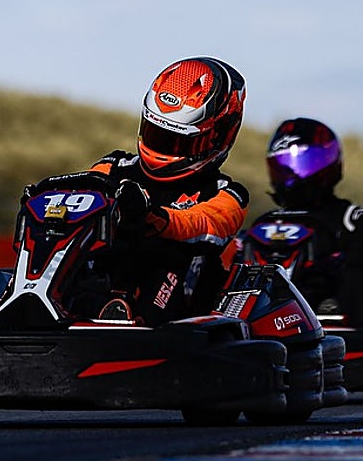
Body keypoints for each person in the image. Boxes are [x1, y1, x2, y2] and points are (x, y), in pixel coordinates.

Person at [84, 56, 250, 324]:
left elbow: (205, 225)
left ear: (218, 136)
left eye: (178, 142)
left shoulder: (228, 194)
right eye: (156, 134)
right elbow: (83, 195)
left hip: (178, 313)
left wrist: (152, 216)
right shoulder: (113, 167)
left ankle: (130, 322)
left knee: (169, 262)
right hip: (101, 279)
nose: (163, 148)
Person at [253, 117, 363, 327]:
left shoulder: (354, 221)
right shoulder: (264, 224)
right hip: (270, 328)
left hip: (338, 330)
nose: (294, 173)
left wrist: (326, 269)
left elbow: (362, 285)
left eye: (304, 162)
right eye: (285, 165)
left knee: (357, 274)